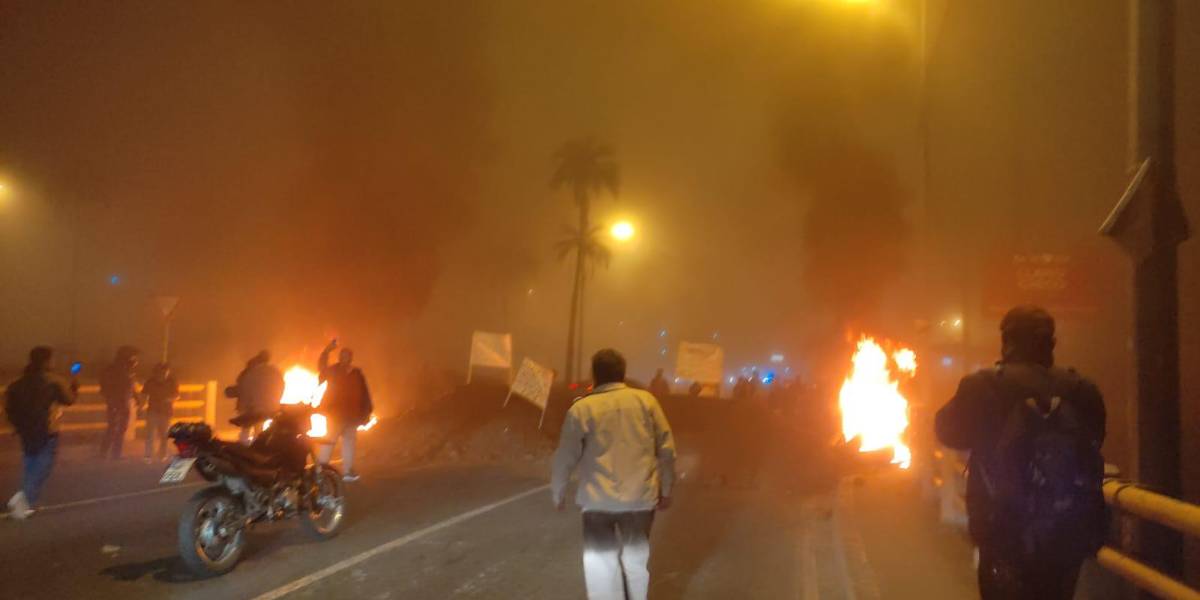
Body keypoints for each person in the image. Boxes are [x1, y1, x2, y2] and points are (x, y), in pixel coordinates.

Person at [935, 306, 1106, 600]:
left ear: (1006, 341)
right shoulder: (1081, 390)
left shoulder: (984, 386)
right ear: (1050, 343)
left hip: (1002, 534)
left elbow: (947, 432)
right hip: (1064, 534)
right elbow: (1096, 440)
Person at [552, 348, 676, 600]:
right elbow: (666, 450)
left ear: (594, 375)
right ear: (623, 373)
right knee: (635, 562)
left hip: (597, 502)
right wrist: (666, 489)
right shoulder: (647, 402)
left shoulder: (582, 408)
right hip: (639, 500)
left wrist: (558, 491)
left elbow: (565, 455)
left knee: (600, 566)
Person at [5, 346, 78, 519]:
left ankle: (28, 501)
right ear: (46, 361)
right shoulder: (52, 381)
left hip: (26, 432)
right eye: (52, 359)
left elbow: (10, 409)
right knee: (42, 468)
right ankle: (24, 504)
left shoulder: (17, 384)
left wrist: (18, 426)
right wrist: (74, 387)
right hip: (47, 431)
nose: (54, 362)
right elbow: (68, 400)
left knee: (30, 467)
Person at [317, 339, 372, 482]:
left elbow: (364, 393)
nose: (344, 359)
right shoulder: (333, 371)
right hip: (335, 415)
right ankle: (320, 471)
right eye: (342, 356)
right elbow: (321, 367)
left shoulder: (357, 373)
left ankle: (347, 472)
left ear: (351, 358)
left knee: (349, 444)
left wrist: (367, 411)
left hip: (352, 416)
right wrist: (327, 351)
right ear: (339, 357)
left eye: (347, 356)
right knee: (329, 441)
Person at [229, 350, 284, 444]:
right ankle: (257, 446)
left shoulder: (252, 371)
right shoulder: (274, 371)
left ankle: (244, 447)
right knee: (258, 429)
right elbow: (280, 387)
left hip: (251, 407)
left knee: (246, 429)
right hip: (267, 407)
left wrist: (244, 406)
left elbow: (246, 389)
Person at [98, 346, 139, 460]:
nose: (135, 360)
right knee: (114, 427)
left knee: (120, 428)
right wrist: (110, 397)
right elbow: (106, 385)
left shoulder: (128, 370)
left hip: (123, 402)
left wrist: (136, 398)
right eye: (133, 357)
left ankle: (115, 453)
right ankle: (106, 452)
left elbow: (131, 386)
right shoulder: (115, 370)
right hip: (116, 402)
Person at [141, 362, 179, 462]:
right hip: (152, 411)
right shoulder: (150, 382)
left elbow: (177, 395)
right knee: (150, 435)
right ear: (156, 372)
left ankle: (162, 454)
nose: (164, 374)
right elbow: (144, 394)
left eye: (166, 371)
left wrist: (170, 399)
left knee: (164, 435)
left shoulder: (172, 382)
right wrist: (142, 406)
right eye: (162, 371)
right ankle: (148, 455)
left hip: (166, 412)